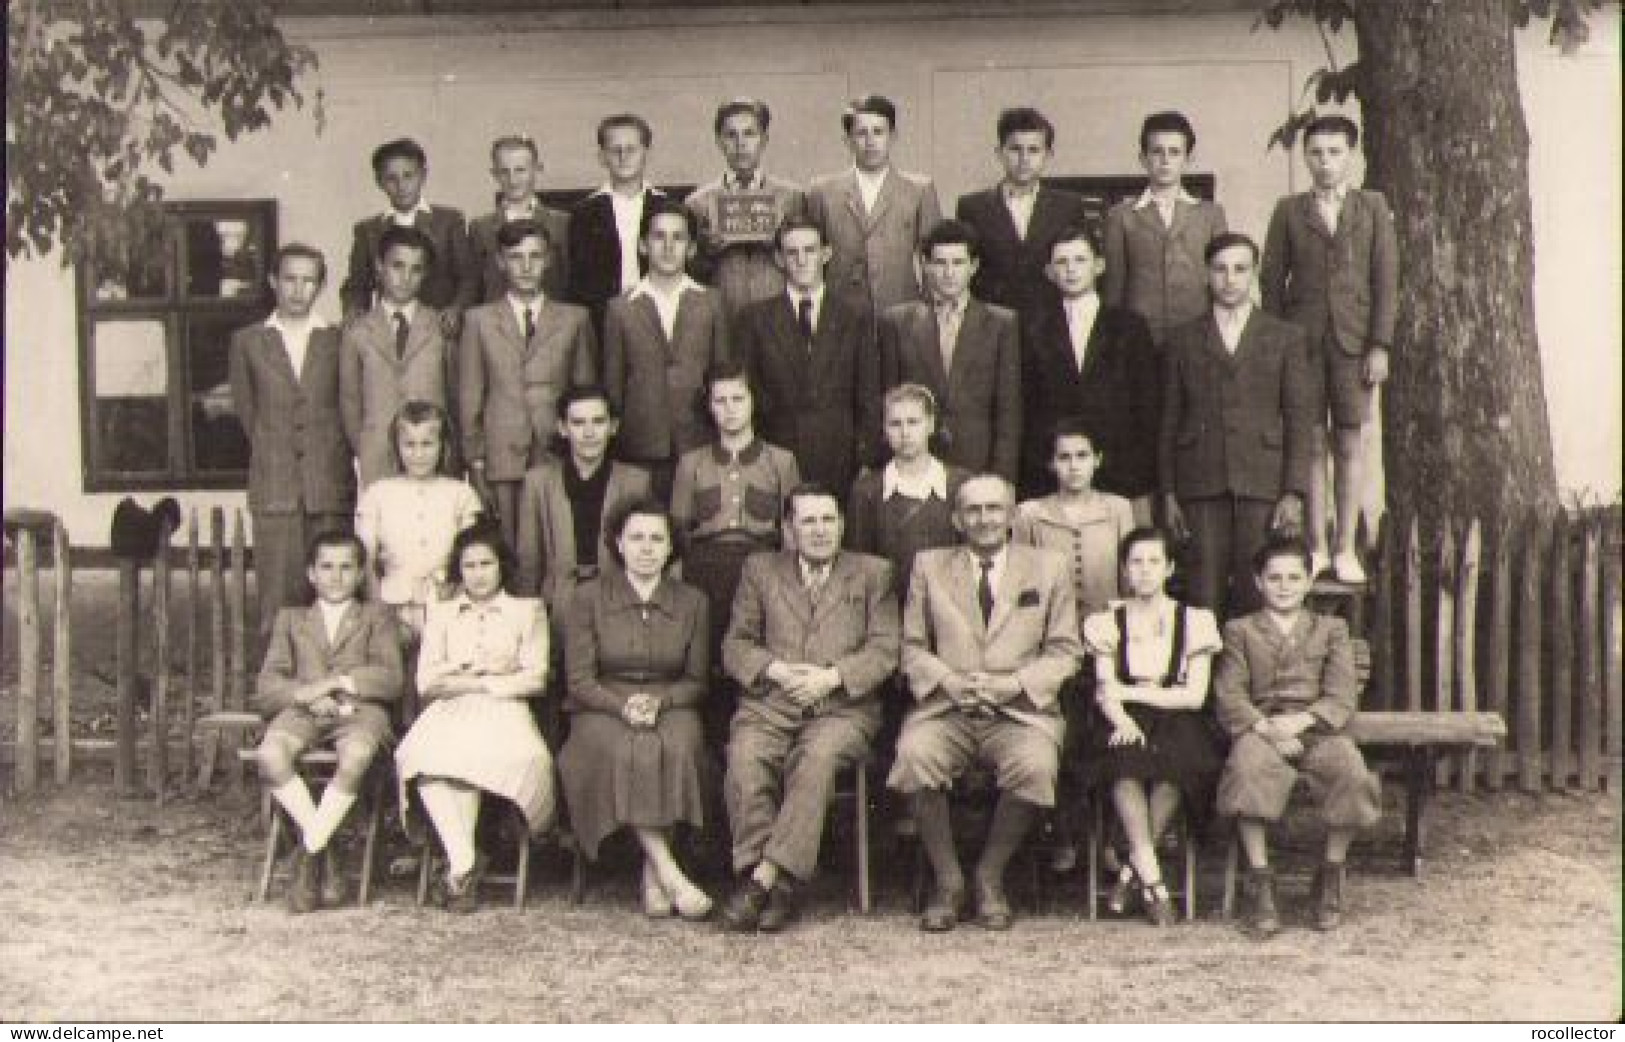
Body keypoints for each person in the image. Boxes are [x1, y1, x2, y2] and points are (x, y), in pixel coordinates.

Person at [889, 474, 1081, 932]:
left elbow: (1065, 651)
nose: (984, 519)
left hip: (1019, 709)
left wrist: (1012, 684)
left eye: (994, 508)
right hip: (947, 706)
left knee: (1035, 766)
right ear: (956, 519)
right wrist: (951, 683)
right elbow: (912, 646)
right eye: (973, 510)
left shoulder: (1048, 567)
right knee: (915, 755)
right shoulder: (929, 566)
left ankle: (989, 876)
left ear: (1012, 515)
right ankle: (949, 881)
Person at [719, 484, 900, 933]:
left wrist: (831, 677)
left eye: (827, 520)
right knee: (745, 760)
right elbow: (736, 644)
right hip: (771, 703)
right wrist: (777, 670)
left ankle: (765, 881)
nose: (819, 531)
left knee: (815, 760)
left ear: (841, 524)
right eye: (807, 521)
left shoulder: (873, 573)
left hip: (842, 708)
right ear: (788, 529)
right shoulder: (760, 570)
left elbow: (884, 649)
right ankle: (769, 884)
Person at [1213, 536, 1381, 937]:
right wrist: (1267, 728)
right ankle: (1261, 882)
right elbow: (1229, 693)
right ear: (1258, 582)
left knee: (1351, 774)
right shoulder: (1240, 630)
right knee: (1247, 771)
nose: (1284, 586)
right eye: (1274, 578)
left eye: (1294, 577)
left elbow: (1341, 694)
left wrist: (1302, 722)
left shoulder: (1331, 629)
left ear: (1309, 582)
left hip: (1317, 728)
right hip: (1262, 727)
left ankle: (1330, 876)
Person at [558, 500, 714, 921]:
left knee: (680, 744)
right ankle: (669, 870)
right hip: (601, 705)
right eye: (637, 538)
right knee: (627, 750)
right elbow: (579, 681)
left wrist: (660, 702)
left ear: (670, 548)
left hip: (670, 702)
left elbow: (697, 681)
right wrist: (622, 706)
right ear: (619, 544)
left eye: (657, 539)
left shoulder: (693, 602)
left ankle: (651, 874)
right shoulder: (587, 598)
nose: (647, 548)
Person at [1261, 114, 1399, 583]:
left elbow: (1386, 280)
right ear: (1305, 158)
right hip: (1300, 343)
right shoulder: (1288, 210)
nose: (1325, 163)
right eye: (1316, 153)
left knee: (1350, 439)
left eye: (1335, 152)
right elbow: (1271, 282)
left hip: (1353, 343)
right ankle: (1316, 545)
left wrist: (1378, 344)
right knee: (1310, 442)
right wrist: (1279, 345)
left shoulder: (1372, 207)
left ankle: (1345, 547)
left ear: (1352, 155)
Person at [395, 521, 553, 913]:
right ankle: (465, 860)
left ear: (502, 566)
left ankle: (459, 870)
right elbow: (427, 680)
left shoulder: (526, 610)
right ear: (457, 570)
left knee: (505, 759)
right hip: (450, 709)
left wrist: (479, 683)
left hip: (504, 708)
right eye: (469, 566)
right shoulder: (443, 612)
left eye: (487, 564)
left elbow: (534, 677)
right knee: (426, 757)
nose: (478, 574)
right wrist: (485, 674)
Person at [1159, 232, 1314, 617]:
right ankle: (1204, 677)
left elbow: (1299, 417)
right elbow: (1168, 418)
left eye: (1240, 269)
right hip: (1200, 480)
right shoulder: (1181, 339)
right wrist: (1168, 492)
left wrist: (1293, 491)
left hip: (1261, 480)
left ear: (1254, 274)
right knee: (1202, 595)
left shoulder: (1285, 337)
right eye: (1220, 269)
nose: (1230, 279)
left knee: (1255, 590)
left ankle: (1250, 678)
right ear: (1206, 274)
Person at [1080, 526, 1223, 927]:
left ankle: (1130, 873)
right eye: (1136, 562)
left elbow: (1193, 697)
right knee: (1124, 761)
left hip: (1179, 714)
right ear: (1125, 570)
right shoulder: (1107, 621)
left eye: (1154, 562)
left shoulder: (1195, 621)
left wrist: (1130, 693)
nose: (1144, 571)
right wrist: (1121, 717)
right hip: (1122, 714)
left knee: (1178, 762)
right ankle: (1155, 882)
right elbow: (1106, 688)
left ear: (1169, 568)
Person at [254, 531, 403, 913]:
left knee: (355, 755)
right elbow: (268, 685)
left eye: (346, 568)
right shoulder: (291, 619)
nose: (335, 577)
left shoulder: (377, 616)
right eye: (326, 567)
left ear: (359, 575)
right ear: (311, 573)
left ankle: (309, 855)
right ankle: (326, 847)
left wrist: (338, 682)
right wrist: (306, 694)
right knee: (270, 755)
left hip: (359, 712)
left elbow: (390, 678)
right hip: (304, 711)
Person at [229, 243, 356, 648]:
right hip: (276, 486)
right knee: (279, 602)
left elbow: (348, 405)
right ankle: (282, 693)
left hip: (328, 485)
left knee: (335, 596)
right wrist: (277, 454)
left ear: (319, 286)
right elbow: (249, 415)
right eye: (289, 279)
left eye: (308, 280)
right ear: (273, 281)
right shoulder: (249, 342)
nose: (298, 290)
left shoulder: (337, 339)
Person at [670, 362, 800, 748]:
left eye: (738, 399)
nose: (729, 409)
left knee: (755, 659)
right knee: (709, 665)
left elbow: (791, 531)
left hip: (761, 568)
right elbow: (678, 536)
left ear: (753, 402)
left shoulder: (781, 461)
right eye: (719, 400)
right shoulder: (691, 463)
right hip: (705, 571)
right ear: (708, 406)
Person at [459, 218, 598, 550]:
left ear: (548, 260)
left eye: (535, 256)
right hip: (501, 454)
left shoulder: (575, 318)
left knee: (560, 543)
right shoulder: (478, 320)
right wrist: (476, 462)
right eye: (516, 256)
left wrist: (581, 453)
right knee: (509, 547)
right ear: (500, 262)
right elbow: (469, 397)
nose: (526, 266)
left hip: (558, 452)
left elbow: (586, 393)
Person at [1018, 225, 1160, 514]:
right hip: (1053, 475)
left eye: (1080, 260)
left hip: (1120, 473)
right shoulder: (1031, 328)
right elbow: (1026, 403)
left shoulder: (1129, 326)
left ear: (1099, 265)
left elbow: (1147, 406)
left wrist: (1141, 476)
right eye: (1062, 262)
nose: (1071, 270)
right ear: (1049, 271)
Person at [734, 216, 880, 493]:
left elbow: (868, 395)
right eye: (792, 252)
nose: (801, 261)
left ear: (826, 254)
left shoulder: (853, 316)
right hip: (776, 456)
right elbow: (747, 393)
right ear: (779, 259)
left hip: (840, 458)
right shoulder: (754, 319)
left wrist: (865, 459)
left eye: (810, 250)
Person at [603, 199, 731, 499]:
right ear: (644, 245)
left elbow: (723, 373)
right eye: (659, 236)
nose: (668, 246)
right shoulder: (620, 308)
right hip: (640, 443)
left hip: (699, 438)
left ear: (691, 248)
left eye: (678, 237)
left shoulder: (712, 302)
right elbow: (613, 384)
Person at [879, 219, 1021, 483]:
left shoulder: (1001, 323)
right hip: (916, 460)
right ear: (926, 265)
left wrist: (1003, 478)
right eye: (940, 263)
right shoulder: (897, 322)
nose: (948, 272)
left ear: (974, 266)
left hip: (978, 460)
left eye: (958, 263)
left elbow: (1008, 410)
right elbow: (889, 399)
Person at [514, 384, 653, 614]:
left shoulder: (636, 481)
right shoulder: (537, 482)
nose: (589, 433)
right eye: (578, 423)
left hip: (619, 604)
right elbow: (529, 561)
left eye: (598, 421)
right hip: (558, 604)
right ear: (563, 428)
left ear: (613, 426)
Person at [354, 401, 483, 643]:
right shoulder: (378, 494)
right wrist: (379, 609)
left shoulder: (461, 494)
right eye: (409, 445)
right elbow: (365, 559)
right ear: (397, 447)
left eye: (427, 444)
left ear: (442, 446)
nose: (418, 454)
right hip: (391, 607)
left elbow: (472, 556)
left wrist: (455, 596)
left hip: (449, 606)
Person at [806, 94, 943, 319]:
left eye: (878, 132)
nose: (870, 141)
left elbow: (934, 257)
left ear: (893, 136)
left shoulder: (919, 189)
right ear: (848, 140)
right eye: (861, 133)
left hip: (902, 310)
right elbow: (811, 257)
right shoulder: (822, 191)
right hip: (839, 314)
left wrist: (927, 312)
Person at [339, 226, 454, 488]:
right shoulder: (356, 331)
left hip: (432, 457)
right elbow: (350, 402)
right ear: (379, 267)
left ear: (425, 274)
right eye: (397, 266)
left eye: (416, 269)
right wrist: (366, 448)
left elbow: (454, 395)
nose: (406, 277)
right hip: (377, 459)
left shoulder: (442, 327)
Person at [1101, 112, 1228, 345]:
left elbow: (1220, 280)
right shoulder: (1120, 216)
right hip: (1139, 338)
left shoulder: (1211, 214)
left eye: (1174, 152)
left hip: (1197, 334)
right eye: (1157, 151)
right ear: (1143, 158)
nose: (1165, 160)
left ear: (1188, 158)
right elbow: (1114, 289)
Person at [954, 107, 1086, 319]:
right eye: (1015, 149)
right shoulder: (972, 207)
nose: (1024, 158)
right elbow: (966, 272)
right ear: (999, 153)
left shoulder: (1068, 207)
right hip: (992, 324)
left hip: (1051, 324)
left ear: (1048, 155)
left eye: (1034, 150)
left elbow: (1081, 270)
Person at [339, 137, 476, 340]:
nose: (401, 185)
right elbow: (356, 284)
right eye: (391, 178)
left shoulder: (449, 221)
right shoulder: (368, 230)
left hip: (439, 328)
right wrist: (354, 308)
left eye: (408, 176)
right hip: (389, 329)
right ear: (379, 182)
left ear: (423, 176)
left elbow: (468, 277)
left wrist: (457, 308)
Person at [684, 98, 808, 319]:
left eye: (749, 133)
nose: (740, 143)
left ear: (764, 139)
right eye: (731, 135)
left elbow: (808, 264)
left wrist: (780, 245)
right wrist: (708, 251)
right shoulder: (697, 203)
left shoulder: (793, 197)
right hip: (723, 313)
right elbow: (688, 273)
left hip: (780, 313)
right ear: (719, 142)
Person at [845, 383, 968, 598]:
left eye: (913, 422)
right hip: (887, 610)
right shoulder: (866, 491)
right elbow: (860, 566)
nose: (905, 432)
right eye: (895, 424)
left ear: (930, 425)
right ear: (884, 429)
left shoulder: (960, 484)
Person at [568, 113, 666, 342]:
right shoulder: (583, 213)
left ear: (646, 154)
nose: (623, 157)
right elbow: (578, 281)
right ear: (602, 157)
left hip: (660, 319)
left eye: (631, 149)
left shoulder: (667, 208)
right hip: (602, 323)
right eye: (615, 150)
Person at [469, 134, 571, 304]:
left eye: (520, 170)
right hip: (497, 325)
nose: (512, 179)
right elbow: (475, 284)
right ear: (494, 174)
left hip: (551, 323)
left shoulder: (562, 223)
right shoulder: (481, 227)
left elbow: (569, 279)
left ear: (537, 169)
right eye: (504, 171)